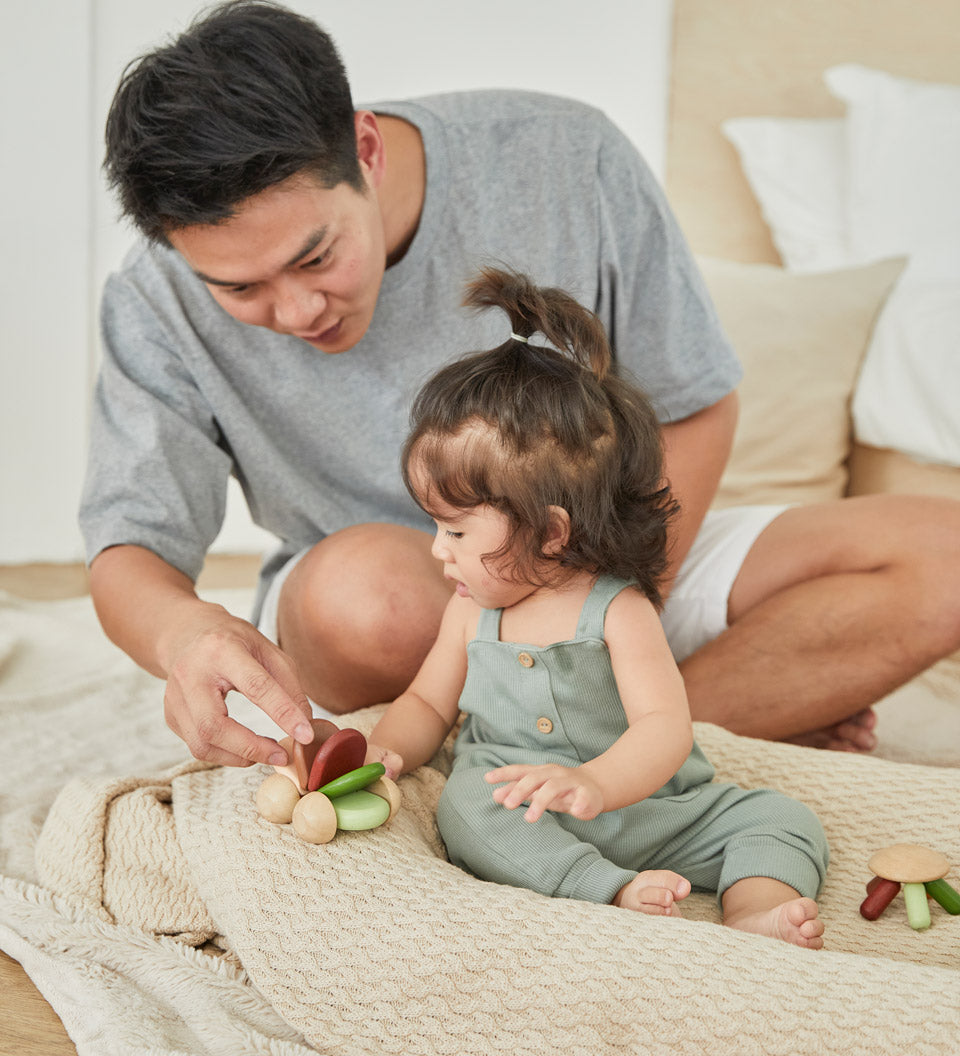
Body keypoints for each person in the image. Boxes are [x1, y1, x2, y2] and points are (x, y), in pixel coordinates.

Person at [83, 0, 960, 771]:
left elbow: (693, 407)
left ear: (364, 147)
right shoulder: (153, 298)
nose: (297, 308)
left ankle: (638, 737)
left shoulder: (568, 159)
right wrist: (183, 634)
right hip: (397, 606)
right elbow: (132, 547)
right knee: (364, 594)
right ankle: (697, 727)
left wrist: (614, 618)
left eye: (316, 255)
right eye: (239, 288)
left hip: (610, 560)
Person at [365, 267, 828, 948]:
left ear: (551, 532)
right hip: (528, 809)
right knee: (466, 807)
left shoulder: (618, 610)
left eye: (457, 531)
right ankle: (604, 887)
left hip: (653, 805)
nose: (439, 552)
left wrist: (595, 783)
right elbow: (428, 706)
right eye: (437, 527)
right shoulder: (469, 611)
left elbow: (664, 729)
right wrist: (382, 751)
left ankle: (754, 910)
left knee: (784, 819)